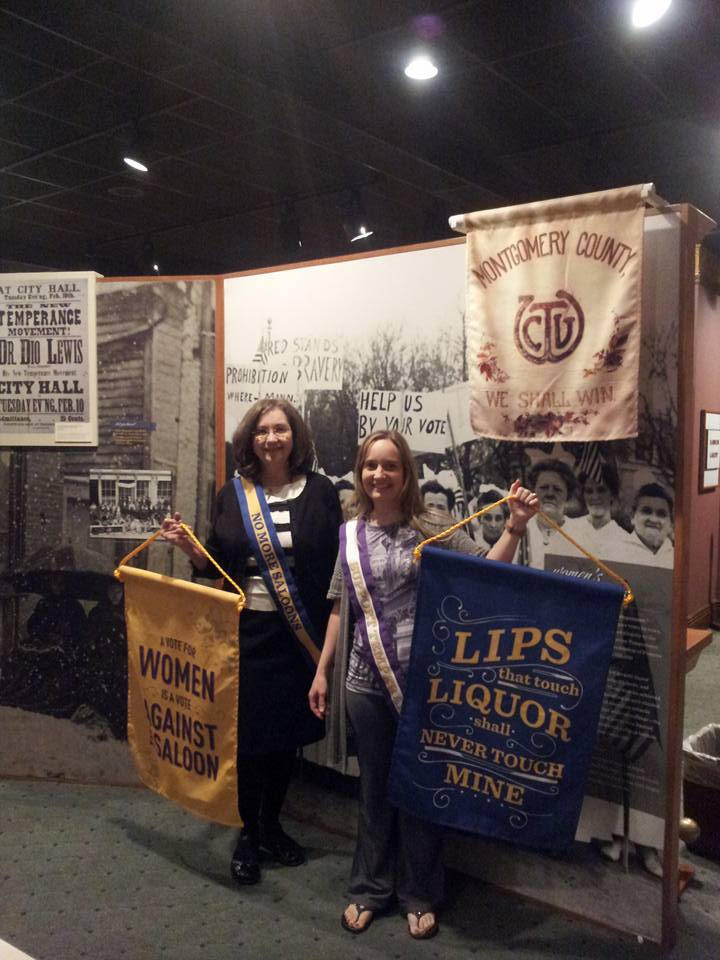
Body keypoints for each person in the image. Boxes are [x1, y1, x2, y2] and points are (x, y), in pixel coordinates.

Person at [308, 430, 538, 940]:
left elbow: (486, 570)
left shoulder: (430, 526)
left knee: (420, 789)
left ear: (406, 473)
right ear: (360, 472)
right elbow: (337, 605)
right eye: (370, 465)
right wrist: (322, 670)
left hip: (426, 684)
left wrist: (516, 528)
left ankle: (418, 893)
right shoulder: (350, 533)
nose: (379, 475)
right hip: (365, 683)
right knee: (373, 790)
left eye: (390, 466)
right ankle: (369, 887)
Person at [162, 399, 341, 885]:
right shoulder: (232, 494)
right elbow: (218, 565)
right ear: (250, 439)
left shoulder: (321, 492)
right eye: (262, 431)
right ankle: (245, 834)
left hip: (298, 638)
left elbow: (336, 564)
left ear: (294, 436)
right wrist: (189, 548)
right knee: (247, 741)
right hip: (247, 636)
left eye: (280, 429)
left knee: (284, 739)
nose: (271, 439)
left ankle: (270, 826)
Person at [525, 459, 585, 569]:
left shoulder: (582, 535)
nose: (550, 493)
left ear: (568, 495)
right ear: (533, 491)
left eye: (557, 489)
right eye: (544, 488)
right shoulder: (521, 529)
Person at [575, 464, 627, 556]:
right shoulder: (571, 528)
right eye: (589, 491)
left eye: (601, 490)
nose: (595, 497)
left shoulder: (623, 538)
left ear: (612, 495)